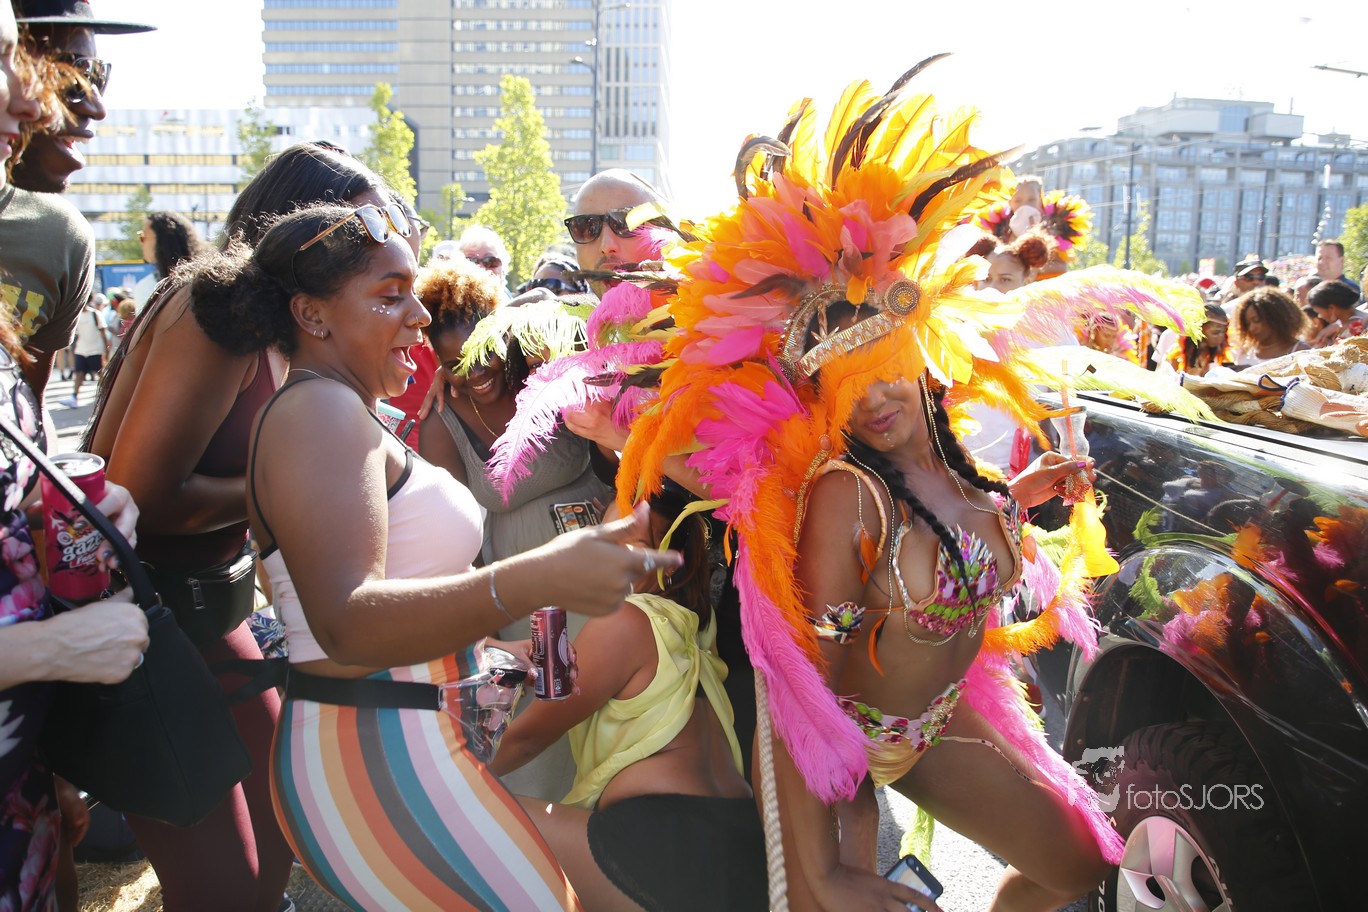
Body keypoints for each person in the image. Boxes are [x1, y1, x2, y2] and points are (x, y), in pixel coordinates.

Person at [616, 68, 1124, 911]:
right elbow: (799, 691)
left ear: (919, 356)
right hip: (856, 741)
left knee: (1077, 864)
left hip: (940, 718)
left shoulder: (954, 467)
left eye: (884, 369)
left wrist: (1016, 498)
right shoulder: (849, 496)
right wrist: (823, 866)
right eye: (846, 387)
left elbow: (949, 541)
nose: (874, 400)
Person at [207, 201, 681, 911]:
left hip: (393, 741)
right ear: (311, 315)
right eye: (390, 296)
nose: (421, 317)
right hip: (376, 753)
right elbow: (344, 622)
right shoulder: (317, 412)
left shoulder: (337, 409)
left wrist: (496, 653)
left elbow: (387, 600)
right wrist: (535, 577)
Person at [81, 143, 394, 912]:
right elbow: (133, 497)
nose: (380, 244)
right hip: (144, 628)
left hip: (216, 615)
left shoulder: (294, 328)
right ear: (294, 223)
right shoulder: (217, 310)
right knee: (225, 888)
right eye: (361, 227)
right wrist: (289, 489)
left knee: (282, 839)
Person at [0, 9, 147, 907]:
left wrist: (61, 509)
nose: (40, 98)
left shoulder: (50, 237)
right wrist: (44, 649)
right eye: (20, 63)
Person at [493, 491, 767, 912]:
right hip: (743, 846)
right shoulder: (697, 628)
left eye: (630, 544)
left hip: (665, 842)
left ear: (668, 561)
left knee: (471, 820)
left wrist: (452, 776)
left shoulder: (626, 620)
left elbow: (525, 741)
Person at [417, 257, 611, 800]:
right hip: (525, 596)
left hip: (599, 565)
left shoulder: (544, 369)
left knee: (609, 702)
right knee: (546, 717)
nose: (473, 372)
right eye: (454, 363)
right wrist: (488, 630)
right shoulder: (442, 422)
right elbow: (450, 538)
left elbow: (577, 311)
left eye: (482, 353)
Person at [133, 210, 208, 306]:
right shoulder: (206, 279)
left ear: (161, 240)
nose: (141, 243)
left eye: (142, 237)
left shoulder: (147, 287)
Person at [1229, 286, 1309, 367]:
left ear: (1275, 317)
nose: (1251, 328)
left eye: (1257, 320)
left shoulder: (1300, 352)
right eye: (1247, 324)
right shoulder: (1244, 351)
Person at [58, 291, 106, 406]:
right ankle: (74, 397)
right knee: (79, 374)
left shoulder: (95, 314)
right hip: (81, 350)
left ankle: (108, 394)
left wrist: (106, 350)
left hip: (95, 350)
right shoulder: (76, 315)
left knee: (100, 374)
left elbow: (103, 332)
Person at [1307, 278, 1368, 345]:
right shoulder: (1339, 326)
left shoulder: (1361, 326)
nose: (1320, 316)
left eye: (1319, 312)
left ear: (1331, 308)